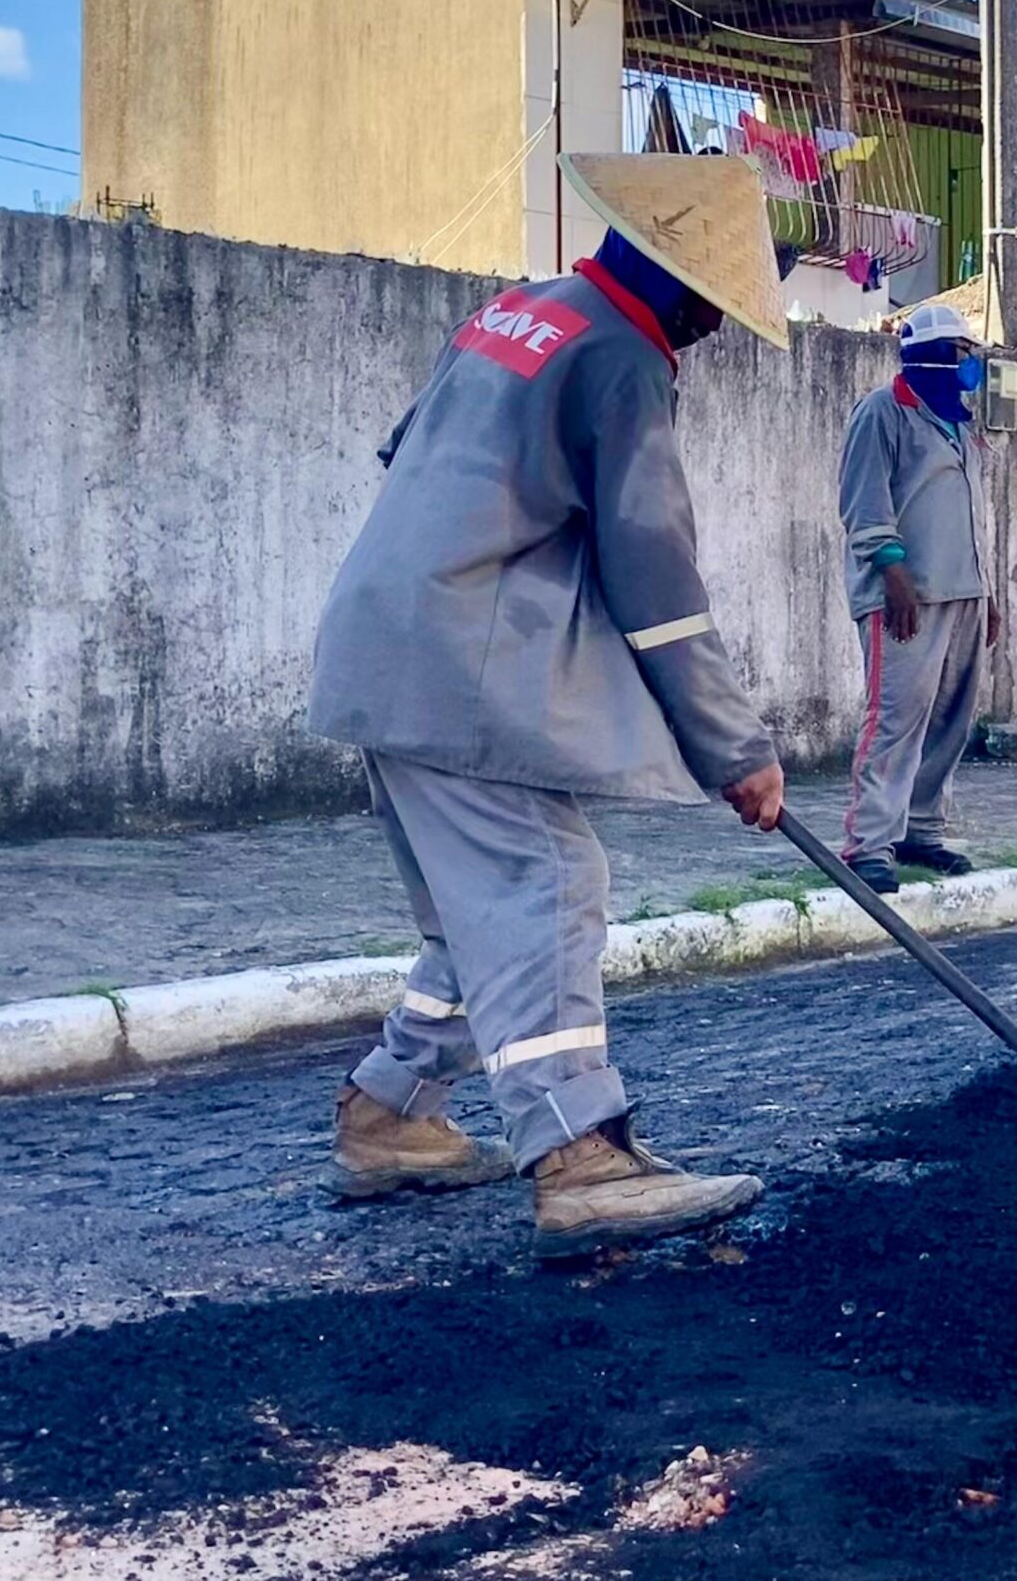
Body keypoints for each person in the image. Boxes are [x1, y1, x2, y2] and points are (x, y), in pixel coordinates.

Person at [310, 153, 792, 1259]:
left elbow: (410, 451)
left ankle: (389, 1112)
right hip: (453, 666)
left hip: (380, 638)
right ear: (676, 276)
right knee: (545, 884)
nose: (715, 324)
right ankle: (579, 1155)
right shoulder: (623, 357)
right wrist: (736, 749)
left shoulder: (518, 312)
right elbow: (655, 578)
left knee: (476, 913)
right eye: (713, 300)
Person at [836, 301, 999, 896]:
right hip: (905, 595)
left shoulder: (961, 423)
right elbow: (863, 501)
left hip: (963, 592)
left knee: (949, 720)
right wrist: (892, 571)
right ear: (931, 356)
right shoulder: (883, 413)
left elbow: (974, 515)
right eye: (960, 352)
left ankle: (920, 833)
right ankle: (868, 844)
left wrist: (991, 593)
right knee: (895, 718)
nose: (968, 363)